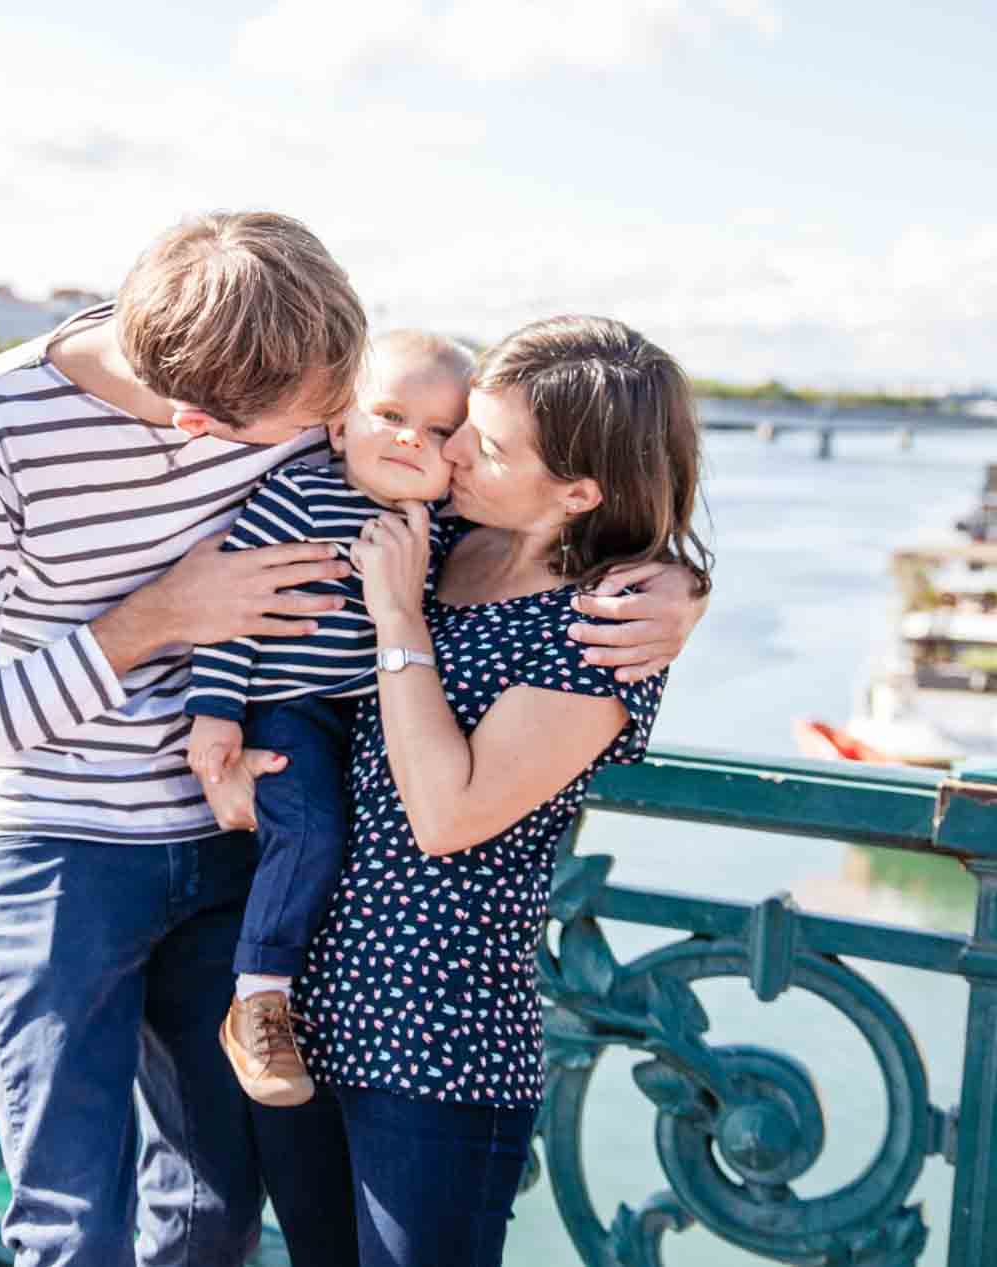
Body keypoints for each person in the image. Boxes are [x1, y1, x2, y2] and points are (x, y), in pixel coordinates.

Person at [0, 212, 705, 1267]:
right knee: (69, 1217)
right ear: (198, 423)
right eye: (319, 422)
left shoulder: (291, 368)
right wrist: (162, 612)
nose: (352, 439)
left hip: (253, 857)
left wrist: (678, 582)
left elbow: (526, 508)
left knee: (211, 1212)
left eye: (345, 411)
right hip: (65, 849)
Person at [294, 314, 713, 1267]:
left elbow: (448, 814)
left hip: (438, 1033)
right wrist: (695, 579)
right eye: (459, 430)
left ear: (578, 492)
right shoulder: (445, 532)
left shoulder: (600, 629)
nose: (450, 455)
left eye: (484, 446)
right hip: (304, 998)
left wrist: (397, 613)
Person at [183, 331, 473, 1107]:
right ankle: (258, 998)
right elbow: (229, 607)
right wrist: (214, 713)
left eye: (441, 431)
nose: (414, 437)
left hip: (379, 719)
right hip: (288, 709)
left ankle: (332, 1006)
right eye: (390, 414)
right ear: (340, 427)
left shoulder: (445, 528)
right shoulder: (300, 496)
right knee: (311, 827)